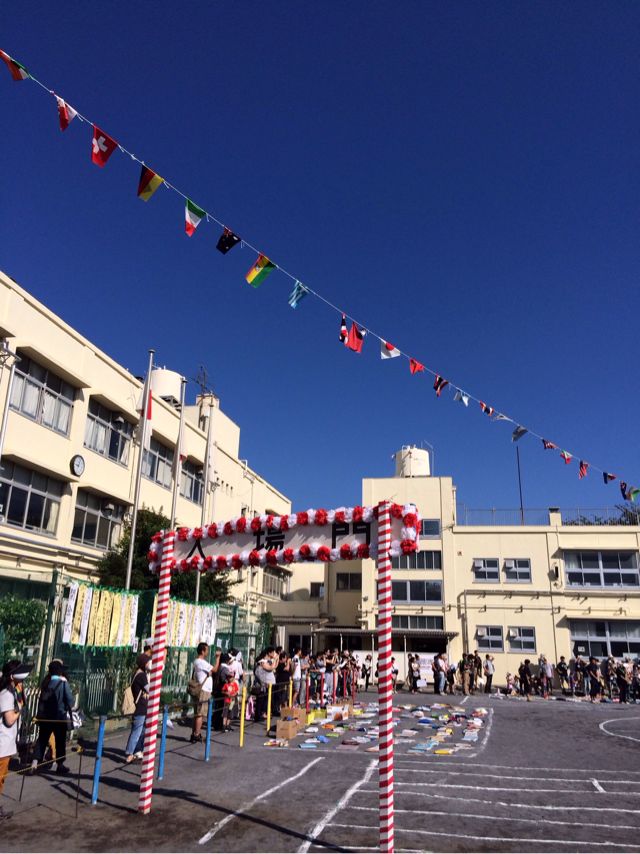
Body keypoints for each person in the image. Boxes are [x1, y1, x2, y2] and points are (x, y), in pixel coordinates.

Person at [0, 660, 31, 821]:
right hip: (2, 744)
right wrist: (19, 708)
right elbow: (9, 719)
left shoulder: (12, 691)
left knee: (2, 777)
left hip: (6, 744)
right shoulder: (6, 694)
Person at [34, 659, 74, 774]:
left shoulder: (46, 682)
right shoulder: (63, 683)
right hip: (59, 718)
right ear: (60, 671)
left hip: (45, 717)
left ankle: (34, 763)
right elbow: (70, 701)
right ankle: (60, 765)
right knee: (60, 741)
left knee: (42, 739)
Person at [191, 643, 221, 743]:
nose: (208, 652)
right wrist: (217, 658)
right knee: (200, 713)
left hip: (203, 689)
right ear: (203, 651)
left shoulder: (198, 662)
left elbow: (211, 671)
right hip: (204, 690)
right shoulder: (201, 662)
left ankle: (195, 733)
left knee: (198, 713)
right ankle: (197, 734)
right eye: (207, 650)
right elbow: (215, 669)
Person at [125, 654, 150, 763]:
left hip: (143, 707)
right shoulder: (141, 676)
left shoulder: (140, 674)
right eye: (149, 662)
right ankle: (130, 753)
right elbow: (149, 689)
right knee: (137, 731)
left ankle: (137, 751)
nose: (150, 664)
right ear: (144, 663)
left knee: (142, 731)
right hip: (140, 707)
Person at [253, 647, 277, 722]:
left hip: (263, 685)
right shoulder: (261, 664)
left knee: (263, 700)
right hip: (261, 685)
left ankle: (260, 715)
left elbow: (272, 667)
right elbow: (261, 676)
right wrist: (264, 683)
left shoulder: (262, 663)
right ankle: (258, 716)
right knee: (260, 701)